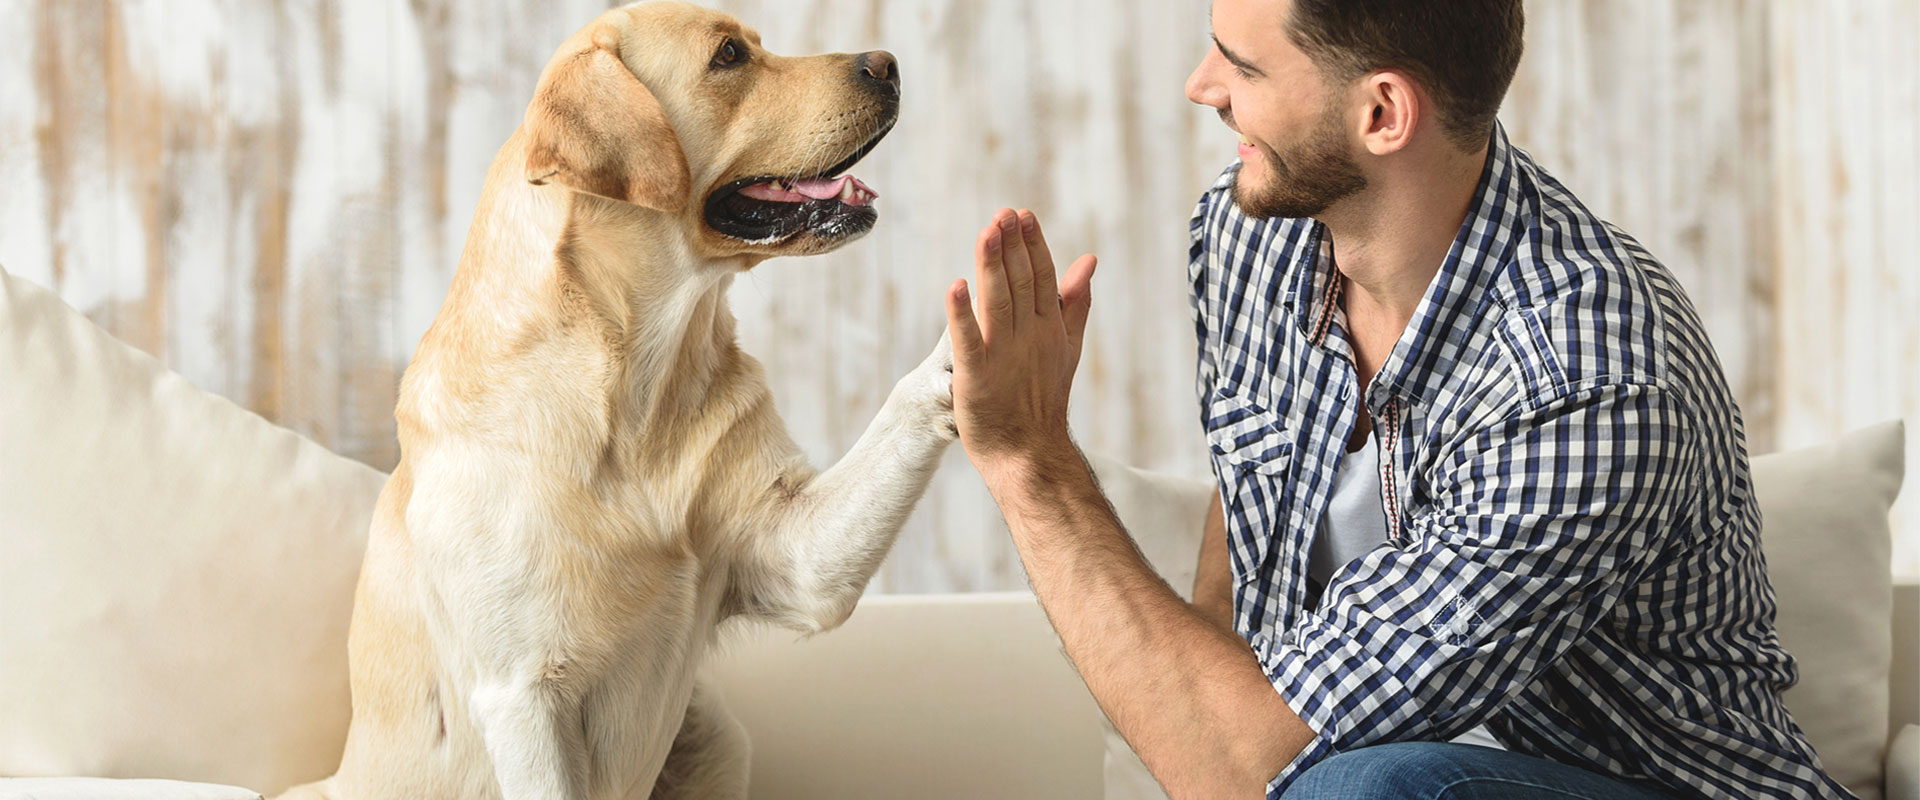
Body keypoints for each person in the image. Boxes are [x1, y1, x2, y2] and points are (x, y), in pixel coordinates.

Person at [937, 0, 1851, 797]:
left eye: (1244, 65)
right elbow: (1242, 520)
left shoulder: (1587, 374)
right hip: (1326, 775)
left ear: (1382, 112)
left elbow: (1247, 768)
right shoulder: (1252, 235)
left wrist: (1031, 462)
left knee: (1372, 786)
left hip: (1641, 785)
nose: (1201, 86)